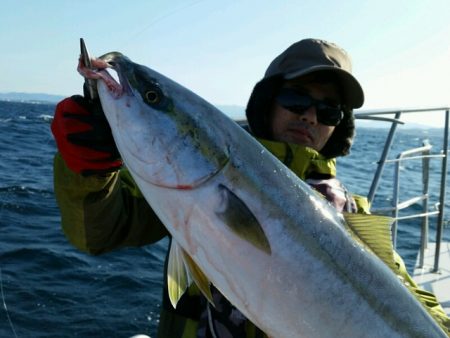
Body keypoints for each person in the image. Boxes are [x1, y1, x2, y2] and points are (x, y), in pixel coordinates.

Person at [51, 38, 450, 337]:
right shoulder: (188, 184)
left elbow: (410, 298)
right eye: (296, 98)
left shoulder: (352, 213)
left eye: (328, 110)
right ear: (269, 101)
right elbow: (97, 233)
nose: (310, 116)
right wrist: (90, 167)